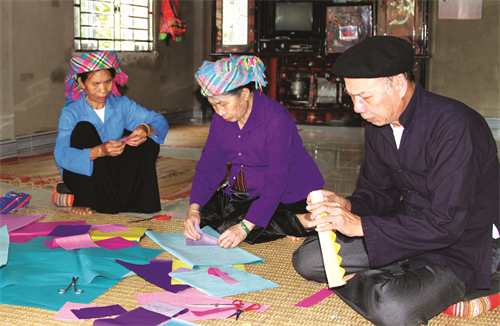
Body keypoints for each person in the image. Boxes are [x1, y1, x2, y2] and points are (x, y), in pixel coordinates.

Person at [292, 36, 500, 326]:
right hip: (409, 225)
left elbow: (447, 223)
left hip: (465, 239)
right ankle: (398, 276)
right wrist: (347, 204)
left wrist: (360, 226)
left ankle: (476, 282)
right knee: (309, 259)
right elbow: (378, 193)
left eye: (365, 96)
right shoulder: (380, 123)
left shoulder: (455, 126)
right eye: (352, 97)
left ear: (399, 84)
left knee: (393, 310)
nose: (357, 108)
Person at [183, 55, 324, 248]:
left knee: (232, 227)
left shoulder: (276, 119)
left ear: (244, 93)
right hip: (246, 189)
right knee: (206, 219)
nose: (218, 112)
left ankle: (303, 220)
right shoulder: (221, 119)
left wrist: (244, 227)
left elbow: (277, 180)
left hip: (287, 192)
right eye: (213, 105)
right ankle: (283, 223)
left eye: (223, 104)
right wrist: (193, 210)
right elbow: (210, 165)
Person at [54, 51, 169, 215]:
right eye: (95, 84)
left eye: (108, 82)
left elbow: (159, 121)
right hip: (84, 175)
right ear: (81, 82)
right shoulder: (71, 112)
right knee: (83, 129)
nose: (103, 90)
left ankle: (113, 200)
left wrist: (146, 129)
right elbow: (61, 155)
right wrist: (99, 151)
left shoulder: (122, 105)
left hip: (110, 171)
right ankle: (85, 198)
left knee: (149, 144)